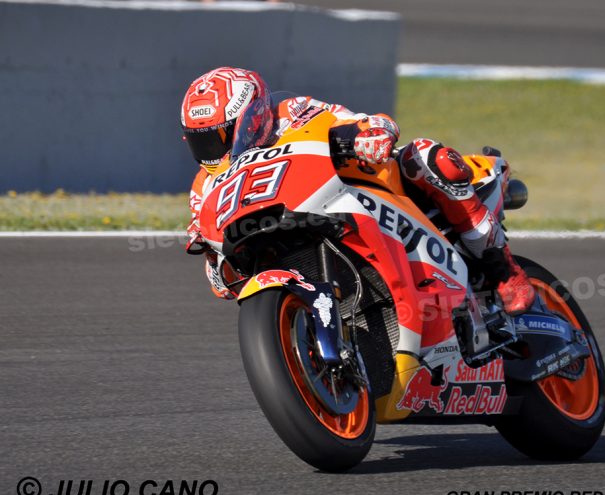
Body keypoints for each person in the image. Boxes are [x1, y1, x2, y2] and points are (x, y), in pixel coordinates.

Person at [180, 66, 535, 314]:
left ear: (252, 117)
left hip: (361, 193)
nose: (211, 151)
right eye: (200, 142)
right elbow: (221, 285)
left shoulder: (294, 112)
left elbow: (368, 121)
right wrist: (212, 256)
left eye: (217, 137)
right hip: (288, 233)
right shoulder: (204, 186)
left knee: (425, 156)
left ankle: (504, 271)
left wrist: (371, 135)